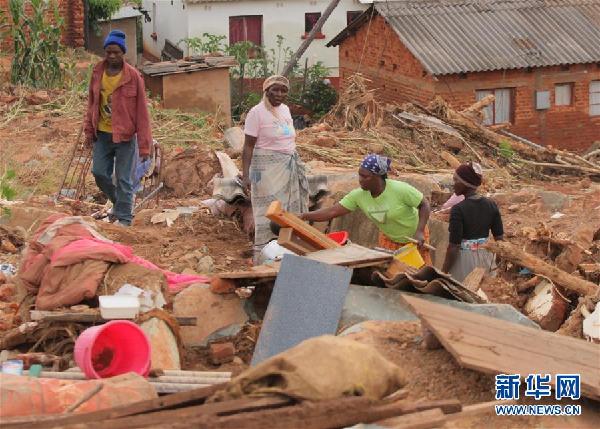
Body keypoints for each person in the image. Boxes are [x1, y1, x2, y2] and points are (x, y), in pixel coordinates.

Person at [300, 154, 432, 264]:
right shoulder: (358, 195)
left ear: (378, 177)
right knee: (390, 273)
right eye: (359, 175)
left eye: (365, 176)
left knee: (418, 273)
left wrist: (419, 231)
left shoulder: (399, 189)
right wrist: (304, 216)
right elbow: (332, 211)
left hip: (415, 238)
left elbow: (424, 204)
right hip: (389, 239)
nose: (360, 180)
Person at [84, 30, 152, 227]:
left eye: (116, 52)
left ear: (123, 53)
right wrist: (89, 131)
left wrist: (145, 146)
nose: (112, 56)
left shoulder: (133, 77)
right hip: (102, 134)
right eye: (108, 52)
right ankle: (119, 203)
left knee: (124, 179)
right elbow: (91, 104)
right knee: (99, 173)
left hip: (125, 137)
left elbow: (142, 114)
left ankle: (124, 219)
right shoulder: (97, 72)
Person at [241, 75, 309, 261]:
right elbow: (248, 146)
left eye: (283, 90)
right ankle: (264, 251)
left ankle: (288, 246)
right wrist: (246, 175)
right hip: (265, 169)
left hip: (287, 165)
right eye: (275, 90)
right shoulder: (257, 113)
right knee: (269, 210)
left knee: (286, 209)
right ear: (266, 91)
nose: (279, 94)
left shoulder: (285, 110)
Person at [441, 163, 504, 281]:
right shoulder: (491, 204)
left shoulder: (458, 209)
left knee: (462, 293)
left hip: (464, 261)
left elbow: (454, 246)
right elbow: (499, 239)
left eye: (456, 180)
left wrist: (443, 272)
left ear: (465, 183)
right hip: (486, 257)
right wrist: (498, 264)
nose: (453, 184)